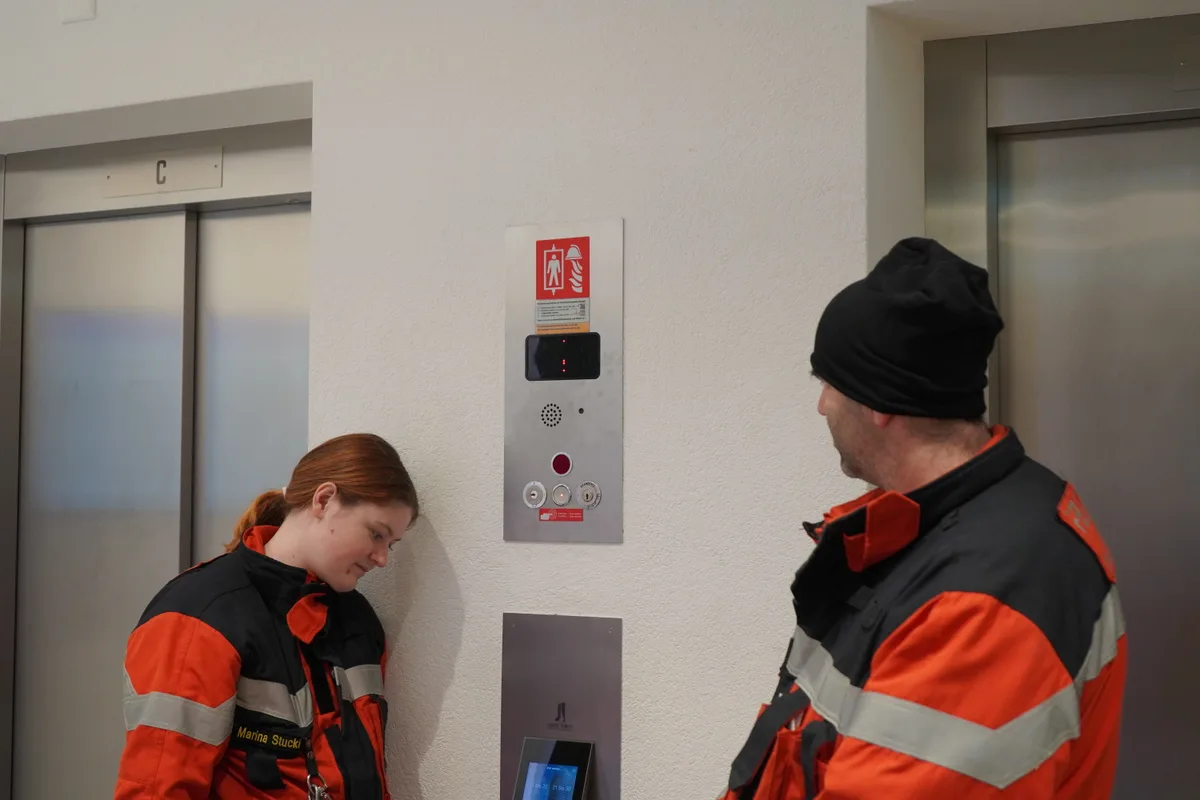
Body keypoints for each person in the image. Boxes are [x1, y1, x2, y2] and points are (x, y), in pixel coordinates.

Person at [720, 238, 1126, 799]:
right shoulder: (929, 526)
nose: (821, 406)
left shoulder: (984, 600)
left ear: (879, 403)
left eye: (829, 383)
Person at [114, 433, 419, 799]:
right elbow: (158, 790)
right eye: (376, 534)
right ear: (324, 499)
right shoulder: (201, 616)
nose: (382, 559)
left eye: (391, 545)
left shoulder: (357, 621)